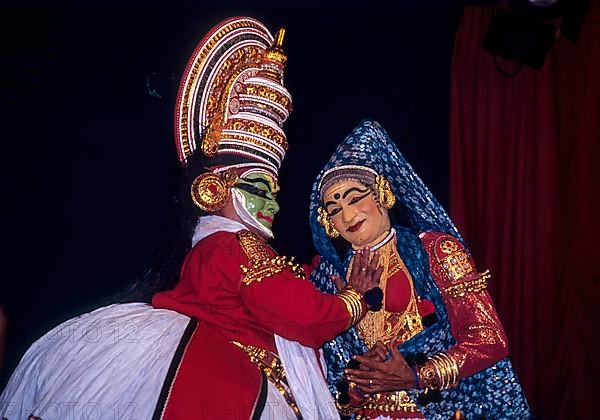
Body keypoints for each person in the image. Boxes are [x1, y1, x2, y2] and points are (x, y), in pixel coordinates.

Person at [0, 18, 383, 420]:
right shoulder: (235, 246)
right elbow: (302, 316)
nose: (272, 204)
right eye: (257, 188)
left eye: (273, 192)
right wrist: (355, 299)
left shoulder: (216, 246)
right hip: (227, 381)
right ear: (212, 190)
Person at [309, 120, 531, 419]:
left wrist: (417, 375)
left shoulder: (437, 251)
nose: (347, 214)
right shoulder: (330, 278)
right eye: (334, 209)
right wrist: (358, 385)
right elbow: (331, 378)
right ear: (329, 224)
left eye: (355, 198)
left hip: (435, 410)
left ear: (382, 194)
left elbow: (489, 338)